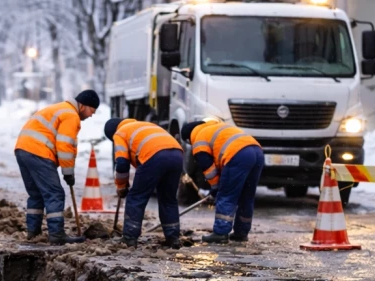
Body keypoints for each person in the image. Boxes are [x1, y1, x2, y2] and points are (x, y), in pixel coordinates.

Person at [15, 90, 99, 244]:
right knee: (54, 193)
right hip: (38, 151)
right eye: (92, 110)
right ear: (83, 105)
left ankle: (33, 232)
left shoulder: (60, 108)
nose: (91, 115)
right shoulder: (71, 115)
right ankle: (57, 235)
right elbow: (65, 145)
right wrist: (68, 173)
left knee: (36, 194)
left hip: (23, 149)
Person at [104, 118, 184, 248]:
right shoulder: (145, 125)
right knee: (168, 199)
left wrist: (121, 186)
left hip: (154, 156)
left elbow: (122, 163)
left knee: (136, 197)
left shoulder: (120, 133)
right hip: (177, 154)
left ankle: (130, 237)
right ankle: (173, 238)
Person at [181, 120, 264, 243]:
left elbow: (209, 170)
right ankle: (241, 232)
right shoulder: (214, 127)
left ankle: (220, 233)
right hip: (257, 151)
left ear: (188, 138)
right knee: (247, 196)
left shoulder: (198, 140)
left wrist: (215, 188)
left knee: (226, 195)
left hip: (237, 154)